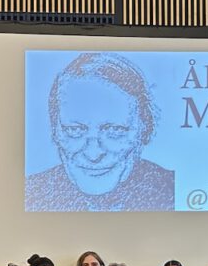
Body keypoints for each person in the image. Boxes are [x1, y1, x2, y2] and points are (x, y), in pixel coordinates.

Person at [25, 52, 174, 212]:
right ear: (56, 132)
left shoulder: (173, 189)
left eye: (115, 130)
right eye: (74, 130)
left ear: (144, 130)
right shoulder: (31, 191)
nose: (93, 154)